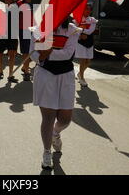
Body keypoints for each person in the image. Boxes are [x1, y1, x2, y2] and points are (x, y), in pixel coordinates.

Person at [30, 19, 83, 170]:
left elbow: (67, 54)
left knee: (65, 119)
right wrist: (41, 55)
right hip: (45, 74)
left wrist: (48, 52)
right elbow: (33, 54)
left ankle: (55, 132)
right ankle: (47, 152)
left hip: (65, 76)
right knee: (48, 117)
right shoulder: (39, 29)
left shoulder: (72, 29)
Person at [0, 0, 19, 83]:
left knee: (12, 55)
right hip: (2, 33)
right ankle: (1, 71)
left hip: (13, 34)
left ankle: (10, 74)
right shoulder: (0, 7)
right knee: (0, 54)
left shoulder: (15, 6)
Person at [74, 4, 97, 87]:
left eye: (89, 9)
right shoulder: (77, 19)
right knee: (83, 60)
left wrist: (81, 31)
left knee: (88, 61)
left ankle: (80, 73)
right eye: (85, 9)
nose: (87, 11)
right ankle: (82, 78)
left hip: (89, 41)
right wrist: (80, 34)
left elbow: (90, 31)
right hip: (80, 41)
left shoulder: (92, 20)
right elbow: (75, 29)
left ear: (90, 11)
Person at [18, 0, 33, 81]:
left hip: (34, 29)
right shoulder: (19, 3)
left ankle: (25, 65)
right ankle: (26, 72)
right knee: (26, 51)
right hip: (24, 29)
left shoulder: (36, 2)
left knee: (36, 51)